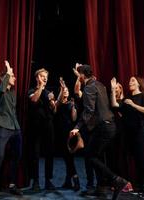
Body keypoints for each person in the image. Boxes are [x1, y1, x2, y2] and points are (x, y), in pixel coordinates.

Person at [70, 65, 128, 200]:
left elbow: (89, 111)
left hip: (104, 127)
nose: (79, 77)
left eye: (80, 75)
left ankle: (117, 180)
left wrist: (77, 126)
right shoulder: (100, 84)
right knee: (98, 156)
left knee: (90, 156)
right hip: (109, 126)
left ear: (83, 75)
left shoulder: (89, 87)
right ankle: (101, 189)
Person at [110, 76, 144, 198]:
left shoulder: (143, 96)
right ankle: (142, 188)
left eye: (132, 80)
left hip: (141, 132)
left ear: (139, 84)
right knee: (137, 162)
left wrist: (133, 105)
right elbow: (115, 104)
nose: (130, 82)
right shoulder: (127, 98)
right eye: (129, 80)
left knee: (142, 161)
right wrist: (112, 89)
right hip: (131, 134)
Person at [0, 61, 23, 198]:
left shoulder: (13, 93)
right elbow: (2, 90)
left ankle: (12, 184)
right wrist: (8, 70)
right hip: (2, 127)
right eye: (12, 76)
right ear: (5, 77)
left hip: (15, 128)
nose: (14, 78)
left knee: (16, 156)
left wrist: (17, 128)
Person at [28, 68, 56, 191]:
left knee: (49, 153)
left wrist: (53, 102)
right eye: (42, 76)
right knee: (35, 154)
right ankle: (35, 182)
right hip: (35, 126)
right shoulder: (32, 90)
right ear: (37, 77)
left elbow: (54, 110)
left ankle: (48, 181)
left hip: (48, 125)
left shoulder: (49, 92)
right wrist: (40, 87)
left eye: (46, 76)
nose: (45, 78)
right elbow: (34, 100)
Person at [72, 63, 95, 190]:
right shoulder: (82, 92)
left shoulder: (91, 88)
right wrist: (78, 76)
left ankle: (100, 183)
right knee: (87, 157)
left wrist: (79, 73)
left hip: (92, 126)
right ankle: (90, 183)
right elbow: (77, 90)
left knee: (94, 156)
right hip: (84, 126)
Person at [54, 77, 80, 191]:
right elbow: (57, 104)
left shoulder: (71, 103)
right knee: (66, 157)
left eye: (67, 90)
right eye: (64, 90)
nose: (66, 91)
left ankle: (76, 179)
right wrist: (62, 88)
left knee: (69, 157)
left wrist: (74, 107)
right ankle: (68, 181)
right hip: (60, 132)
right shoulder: (57, 103)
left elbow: (74, 118)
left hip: (69, 133)